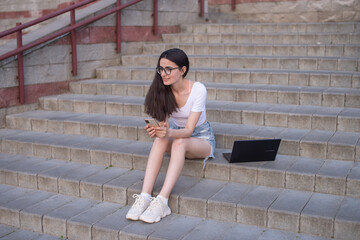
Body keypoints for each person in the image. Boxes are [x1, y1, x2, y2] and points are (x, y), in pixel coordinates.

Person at [126, 48, 215, 223]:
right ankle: (145, 196)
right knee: (161, 139)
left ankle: (162, 200)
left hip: (202, 139)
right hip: (177, 134)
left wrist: (169, 132)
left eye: (169, 69)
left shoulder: (198, 90)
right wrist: (158, 130)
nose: (163, 74)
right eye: (161, 69)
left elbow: (189, 130)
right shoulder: (163, 90)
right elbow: (164, 124)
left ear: (183, 70)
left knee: (179, 143)